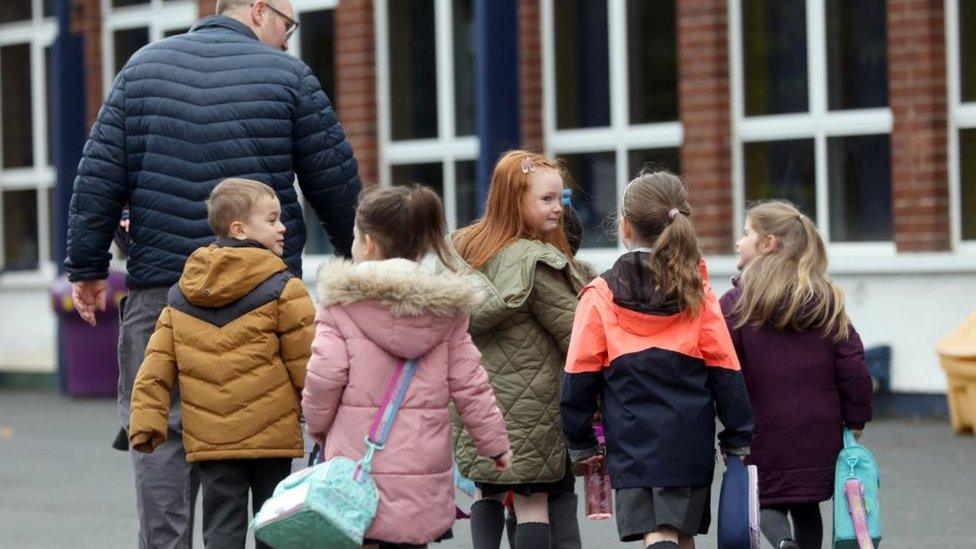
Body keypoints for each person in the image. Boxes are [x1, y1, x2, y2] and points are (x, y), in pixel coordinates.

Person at [64, 0, 360, 545]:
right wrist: (360, 261)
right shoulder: (289, 76)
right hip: (265, 299)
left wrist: (87, 269)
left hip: (161, 293)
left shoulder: (142, 68)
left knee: (161, 433)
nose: (289, 39)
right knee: (262, 427)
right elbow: (335, 183)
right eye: (287, 24)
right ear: (255, 9)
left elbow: (99, 172)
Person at [302, 185, 512, 548]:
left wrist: (318, 427)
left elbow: (325, 375)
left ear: (367, 244)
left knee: (360, 533)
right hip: (422, 467)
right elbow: (471, 383)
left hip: (356, 464)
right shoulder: (445, 311)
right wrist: (494, 444)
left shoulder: (339, 306)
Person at [560, 171, 754, 549]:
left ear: (625, 227)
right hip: (690, 439)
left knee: (658, 533)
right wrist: (738, 432)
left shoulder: (599, 294)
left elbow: (578, 375)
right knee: (680, 533)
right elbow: (724, 367)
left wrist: (580, 440)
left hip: (631, 441)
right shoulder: (696, 290)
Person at [128, 178, 315, 549]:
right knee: (276, 526)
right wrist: (323, 415)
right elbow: (306, 360)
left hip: (212, 441)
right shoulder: (285, 287)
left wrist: (146, 423)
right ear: (239, 229)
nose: (283, 227)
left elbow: (156, 364)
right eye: (273, 219)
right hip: (271, 437)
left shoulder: (183, 292)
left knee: (221, 529)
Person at [450, 150, 585, 549]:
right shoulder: (538, 263)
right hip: (533, 408)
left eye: (560, 198)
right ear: (514, 199)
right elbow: (576, 335)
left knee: (486, 491)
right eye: (546, 199)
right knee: (531, 502)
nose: (558, 209)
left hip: (474, 404)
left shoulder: (461, 251)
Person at [720, 200, 873, 549]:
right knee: (806, 504)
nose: (738, 242)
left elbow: (721, 366)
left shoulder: (735, 304)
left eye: (746, 234)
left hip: (761, 425)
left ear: (768, 243)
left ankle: (783, 544)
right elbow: (853, 363)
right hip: (819, 427)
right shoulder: (825, 299)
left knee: (766, 500)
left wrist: (725, 418)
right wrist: (856, 417)